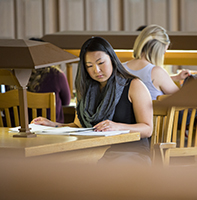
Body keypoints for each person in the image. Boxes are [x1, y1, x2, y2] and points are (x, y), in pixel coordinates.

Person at [31, 36, 153, 165]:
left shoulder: (134, 85)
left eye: (101, 63)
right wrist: (54, 125)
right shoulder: (85, 90)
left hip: (130, 153)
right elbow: (78, 126)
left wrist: (117, 126)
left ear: (112, 59)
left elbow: (147, 129)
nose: (96, 70)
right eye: (89, 66)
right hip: (95, 150)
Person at [123, 24, 190, 100]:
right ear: (158, 52)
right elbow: (183, 99)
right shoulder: (157, 72)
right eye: (163, 53)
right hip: (152, 112)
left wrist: (176, 78)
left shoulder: (121, 68)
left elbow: (145, 79)